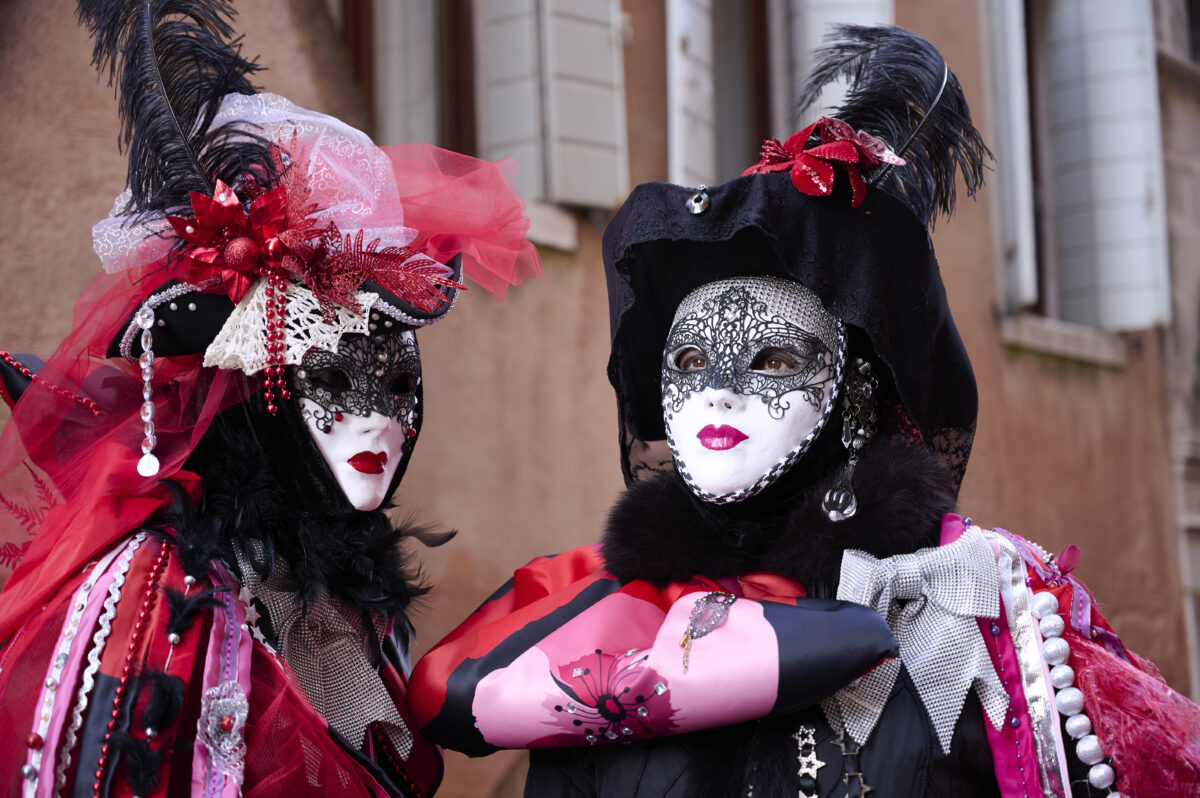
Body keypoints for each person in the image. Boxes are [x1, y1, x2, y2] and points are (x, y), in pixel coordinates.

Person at [409, 26, 1200, 797]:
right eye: (688, 363)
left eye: (773, 361)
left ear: (851, 401)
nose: (719, 391)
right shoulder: (596, 630)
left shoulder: (971, 610)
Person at [0, 2, 537, 796]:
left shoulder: (344, 589)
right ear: (254, 391)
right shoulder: (166, 590)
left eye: (397, 385)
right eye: (326, 380)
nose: (375, 421)